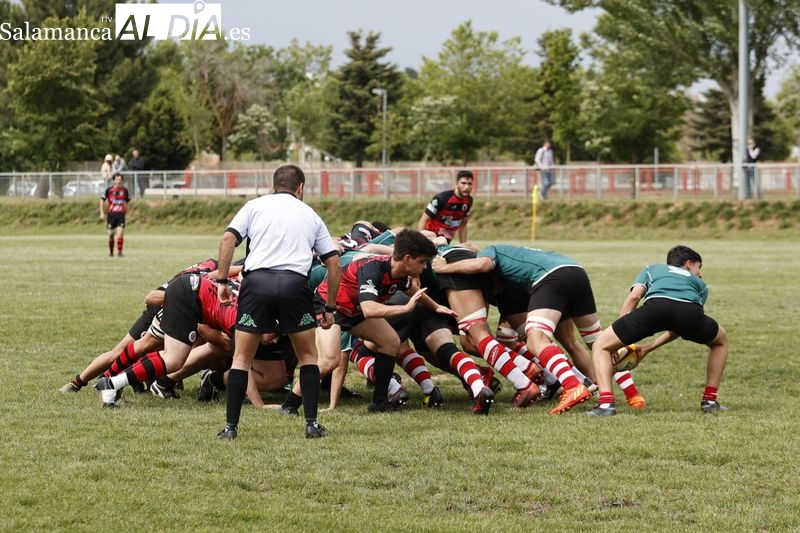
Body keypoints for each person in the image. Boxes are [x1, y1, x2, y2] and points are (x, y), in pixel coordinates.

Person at [214, 164, 341, 441]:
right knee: (308, 357)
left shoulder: (254, 206)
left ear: (273, 186)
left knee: (241, 358)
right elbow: (332, 261)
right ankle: (311, 424)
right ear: (301, 188)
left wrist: (223, 281)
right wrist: (330, 307)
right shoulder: (310, 214)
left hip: (256, 284)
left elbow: (228, 238)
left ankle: (230, 429)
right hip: (294, 285)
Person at [433, 244, 600, 415]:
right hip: (572, 272)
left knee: (536, 339)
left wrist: (444, 267)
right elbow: (471, 249)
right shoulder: (511, 259)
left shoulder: (491, 252)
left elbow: (481, 265)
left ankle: (565, 385)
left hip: (547, 281)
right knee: (593, 343)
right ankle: (601, 391)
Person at [587, 245, 729, 416]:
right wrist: (648, 348)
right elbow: (681, 326)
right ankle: (710, 401)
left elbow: (634, 296)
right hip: (689, 312)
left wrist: (620, 339)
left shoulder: (652, 268)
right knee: (720, 342)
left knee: (601, 345)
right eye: (700, 267)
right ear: (689, 264)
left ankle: (606, 405)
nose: (700, 273)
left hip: (656, 308)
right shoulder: (701, 285)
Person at [418, 170, 474, 244]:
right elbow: (424, 219)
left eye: (469, 184)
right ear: (457, 183)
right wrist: (421, 243)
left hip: (446, 242)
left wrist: (463, 245)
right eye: (463, 183)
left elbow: (463, 224)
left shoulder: (469, 201)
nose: (466, 187)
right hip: (431, 240)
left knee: (469, 248)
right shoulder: (442, 198)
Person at [99, 173, 130, 257]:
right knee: (111, 234)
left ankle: (120, 253)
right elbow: (102, 201)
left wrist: (127, 214)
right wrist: (102, 212)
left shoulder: (124, 191)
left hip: (121, 214)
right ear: (114, 180)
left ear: (122, 180)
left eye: (120, 179)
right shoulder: (109, 190)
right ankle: (111, 252)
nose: (118, 181)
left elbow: (126, 203)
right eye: (116, 179)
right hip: (111, 215)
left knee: (120, 234)